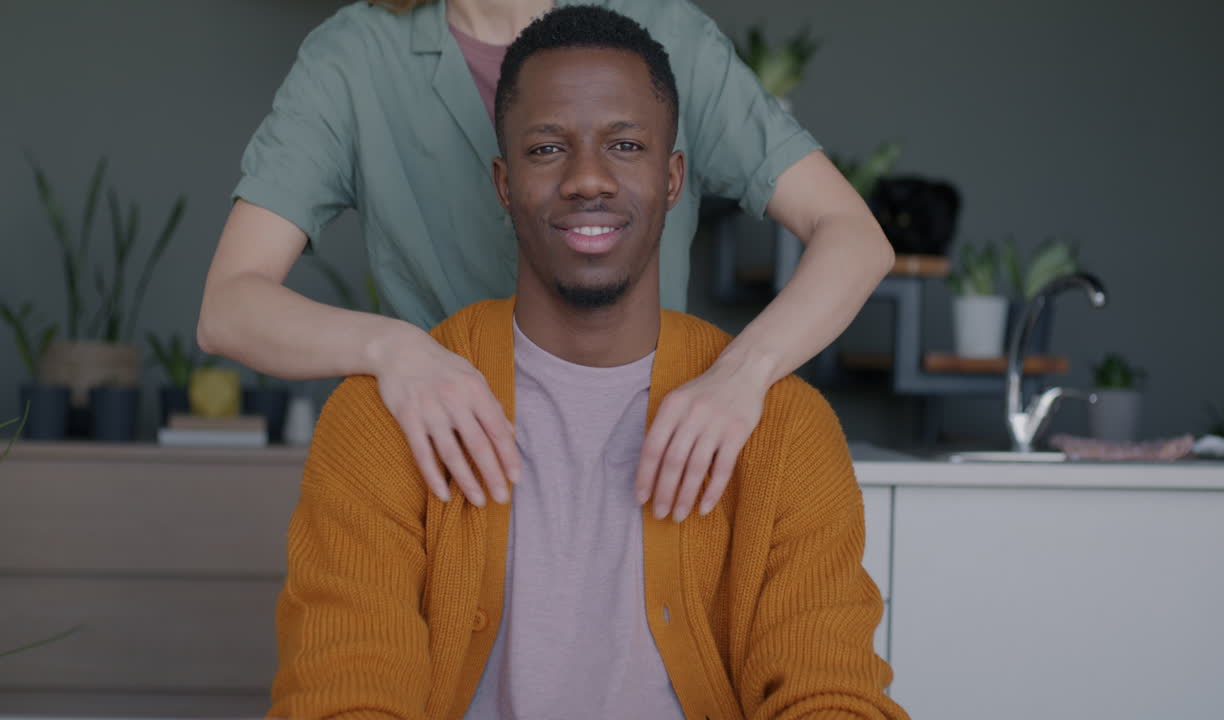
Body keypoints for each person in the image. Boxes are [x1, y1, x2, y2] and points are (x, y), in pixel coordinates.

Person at [269, 8, 908, 718]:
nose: (588, 179)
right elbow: (345, 692)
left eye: (626, 144)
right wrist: (393, 349)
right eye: (546, 150)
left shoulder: (782, 430)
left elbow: (832, 695)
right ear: (504, 183)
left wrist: (744, 375)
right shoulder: (377, 425)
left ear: (673, 179)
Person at [197, 0, 895, 521]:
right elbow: (231, 305)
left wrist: (742, 377)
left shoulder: (667, 34)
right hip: (452, 477)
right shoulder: (353, 58)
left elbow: (852, 235)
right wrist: (395, 350)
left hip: (652, 465)